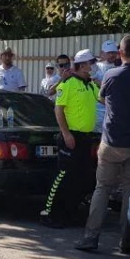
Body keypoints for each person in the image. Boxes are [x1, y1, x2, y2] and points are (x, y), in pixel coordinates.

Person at [76, 35, 130, 254]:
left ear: (121, 53)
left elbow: (103, 99)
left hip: (112, 141)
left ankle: (90, 237)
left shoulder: (112, 75)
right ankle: (126, 240)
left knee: (102, 188)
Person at [39, 49, 101, 229]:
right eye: (90, 63)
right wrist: (66, 134)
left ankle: (70, 212)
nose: (93, 66)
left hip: (86, 138)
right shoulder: (67, 84)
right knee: (62, 176)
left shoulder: (91, 85)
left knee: (79, 177)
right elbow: (58, 109)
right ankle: (48, 212)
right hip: (71, 136)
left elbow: (104, 98)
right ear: (82, 65)